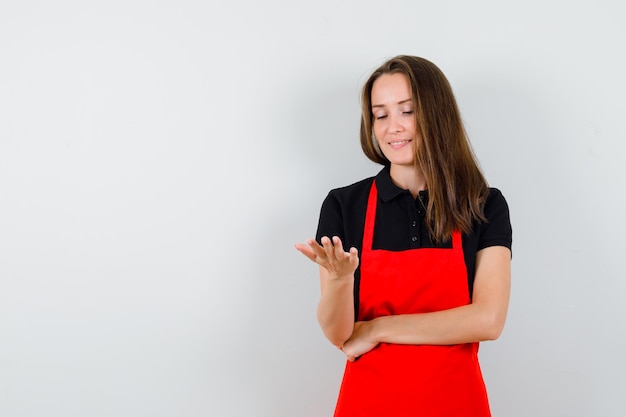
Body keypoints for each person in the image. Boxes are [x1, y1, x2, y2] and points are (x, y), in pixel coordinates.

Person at [295, 55, 512, 417]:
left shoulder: (483, 204)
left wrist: (378, 328)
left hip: (456, 404)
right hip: (368, 404)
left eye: (407, 111)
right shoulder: (344, 205)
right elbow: (340, 335)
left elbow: (488, 320)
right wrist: (339, 281)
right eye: (381, 115)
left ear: (437, 115)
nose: (392, 127)